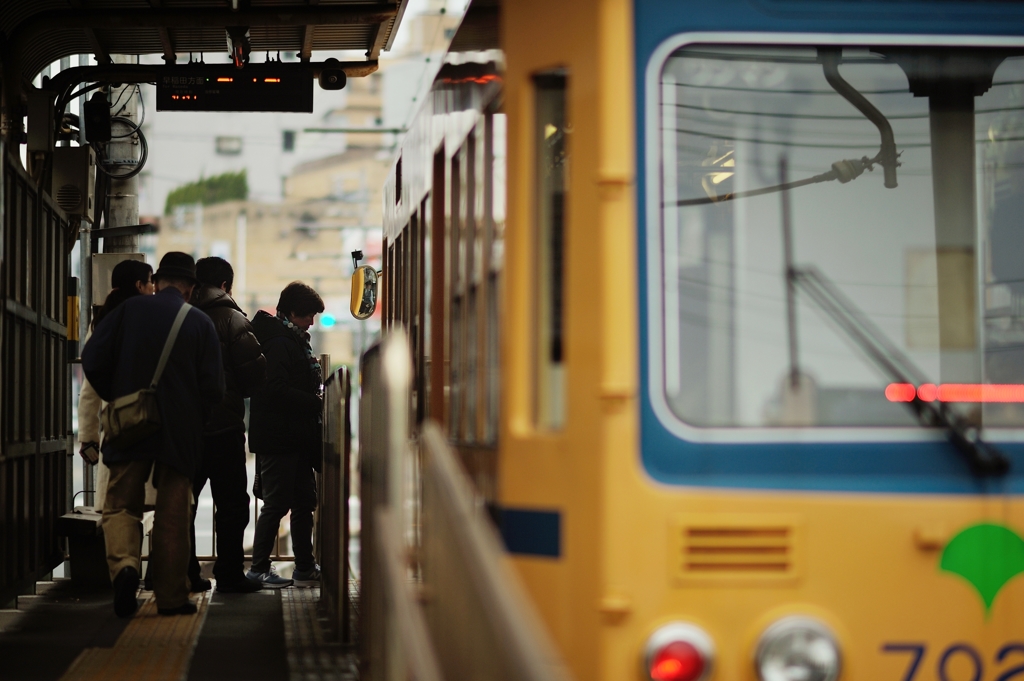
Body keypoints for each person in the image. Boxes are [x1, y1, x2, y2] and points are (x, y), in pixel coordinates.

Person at [82, 252, 225, 617]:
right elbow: (214, 389)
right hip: (179, 433)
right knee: (173, 514)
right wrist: (193, 417)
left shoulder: (127, 312)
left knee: (120, 507)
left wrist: (119, 395)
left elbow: (93, 358)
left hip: (130, 424)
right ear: (190, 289)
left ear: (157, 282)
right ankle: (172, 597)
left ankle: (126, 568)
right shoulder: (199, 323)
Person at [186, 256, 267, 593]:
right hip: (225, 428)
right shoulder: (233, 319)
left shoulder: (181, 317)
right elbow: (255, 376)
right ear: (224, 286)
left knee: (183, 504)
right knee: (232, 505)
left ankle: (186, 572)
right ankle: (230, 574)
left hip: (186, 430)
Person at [246, 282, 325, 588]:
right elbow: (272, 389)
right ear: (291, 312)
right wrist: (314, 402)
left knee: (304, 502)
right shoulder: (279, 342)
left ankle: (304, 566)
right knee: (277, 504)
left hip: (296, 436)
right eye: (308, 315)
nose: (311, 322)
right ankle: (259, 568)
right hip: (280, 437)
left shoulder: (290, 338)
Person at [78, 260, 156, 509]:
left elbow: (89, 388)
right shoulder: (150, 320)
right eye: (150, 281)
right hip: (147, 420)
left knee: (117, 504)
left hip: (114, 423)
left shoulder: (101, 322)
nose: (154, 287)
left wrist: (88, 436)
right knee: (145, 507)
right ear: (139, 285)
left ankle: (118, 549)